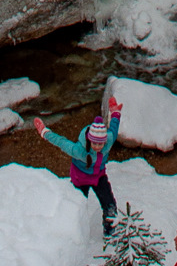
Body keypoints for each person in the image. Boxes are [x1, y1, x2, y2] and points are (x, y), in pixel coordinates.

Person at [33, 93, 123, 236]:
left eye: (101, 144)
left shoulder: (108, 141)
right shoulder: (79, 150)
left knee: (109, 204)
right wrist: (45, 132)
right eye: (95, 143)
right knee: (76, 207)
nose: (98, 147)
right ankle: (73, 234)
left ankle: (110, 231)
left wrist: (115, 112)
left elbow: (114, 127)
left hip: (99, 177)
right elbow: (61, 142)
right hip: (80, 180)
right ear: (89, 140)